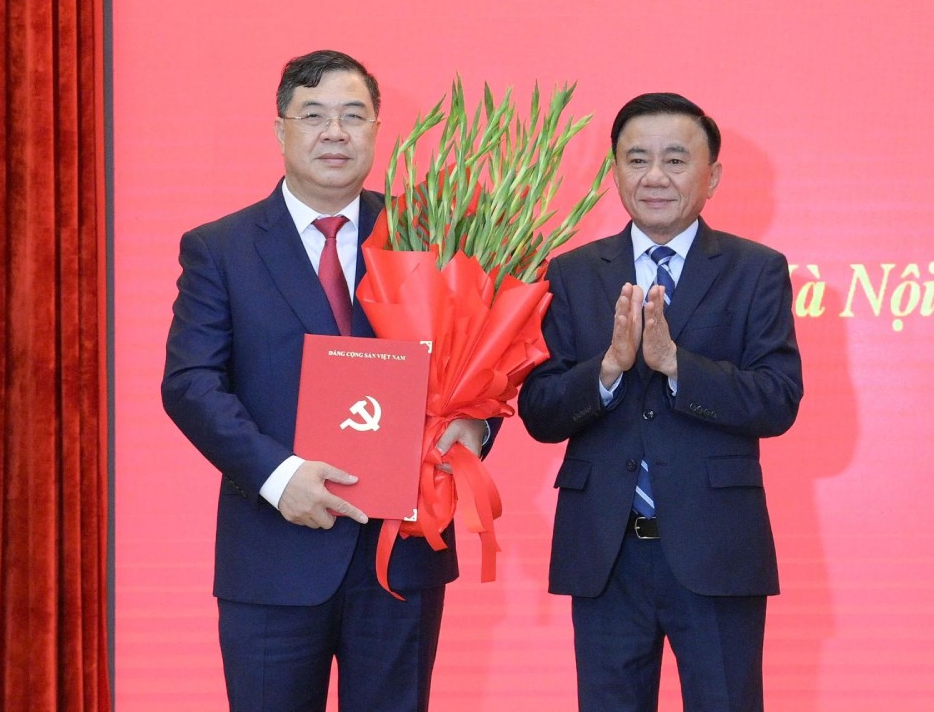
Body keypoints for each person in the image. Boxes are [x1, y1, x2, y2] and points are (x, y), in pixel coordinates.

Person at [161, 50, 492, 712]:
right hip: (273, 552)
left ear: (376, 129)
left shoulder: (430, 234)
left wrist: (476, 422)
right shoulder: (221, 248)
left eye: (352, 116)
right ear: (280, 129)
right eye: (313, 116)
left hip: (401, 552)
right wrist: (280, 476)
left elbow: (476, 356)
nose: (334, 132)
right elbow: (191, 382)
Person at [517, 92, 803, 711]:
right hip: (605, 552)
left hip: (717, 547)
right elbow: (539, 410)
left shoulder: (756, 271)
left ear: (712, 175)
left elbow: (779, 399)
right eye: (636, 159)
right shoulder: (569, 273)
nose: (654, 177)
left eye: (675, 160)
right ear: (614, 171)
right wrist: (610, 368)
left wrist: (678, 366)